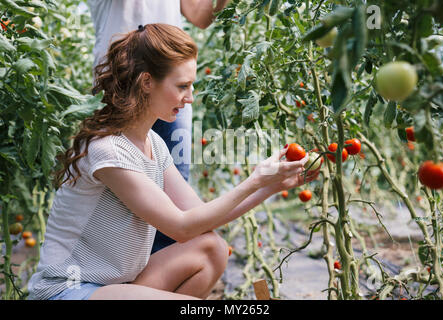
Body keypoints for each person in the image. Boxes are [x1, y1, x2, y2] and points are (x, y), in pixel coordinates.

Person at [26, 24, 320, 300]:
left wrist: (271, 185)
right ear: (147, 82)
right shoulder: (108, 150)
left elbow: (199, 219)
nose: (190, 98)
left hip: (117, 286)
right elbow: (180, 227)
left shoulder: (154, 143)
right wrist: (256, 179)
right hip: (69, 289)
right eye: (182, 86)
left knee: (211, 249)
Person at [86, 0, 231, 254]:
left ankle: (159, 277)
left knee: (176, 193)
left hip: (171, 86)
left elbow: (201, 16)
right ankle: (121, 278)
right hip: (120, 86)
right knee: (126, 200)